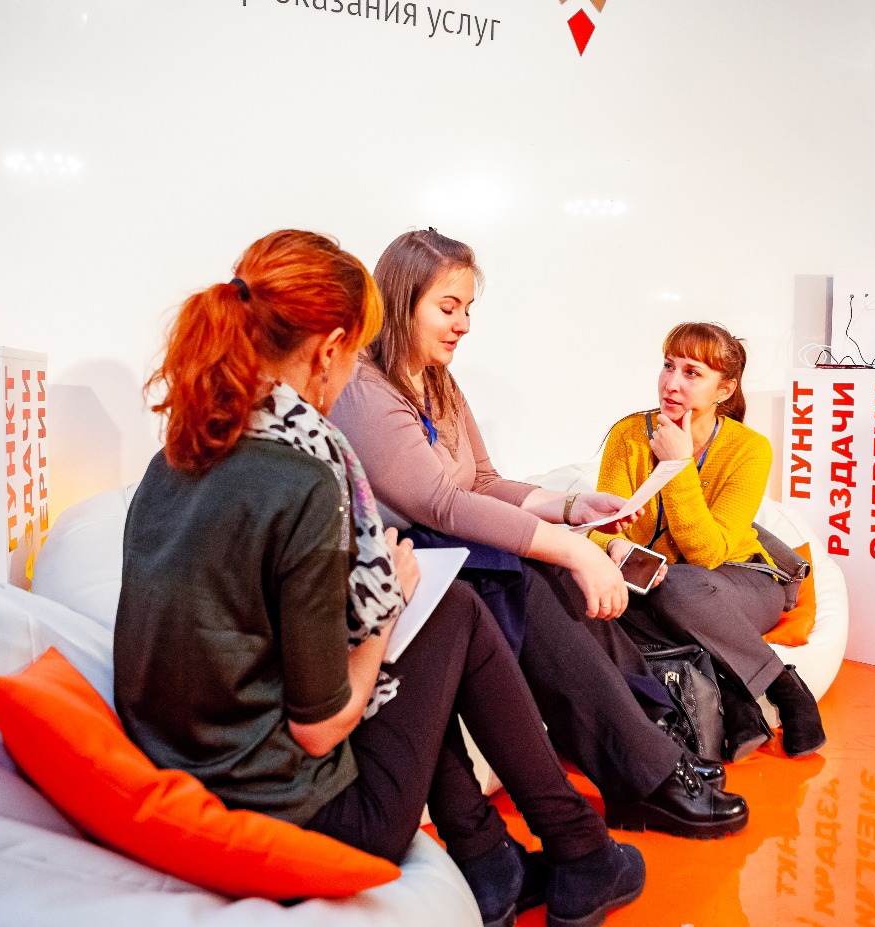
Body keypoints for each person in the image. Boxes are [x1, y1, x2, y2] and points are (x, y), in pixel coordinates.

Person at [113, 230, 645, 927]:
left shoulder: (176, 456)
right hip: (308, 813)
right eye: (448, 306)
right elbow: (319, 729)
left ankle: (495, 860)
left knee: (443, 615)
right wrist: (387, 606)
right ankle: (575, 846)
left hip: (190, 769)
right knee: (448, 611)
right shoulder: (304, 477)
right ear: (331, 349)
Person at [330, 228, 749, 839]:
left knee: (545, 568)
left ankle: (651, 748)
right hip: (403, 566)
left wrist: (573, 508)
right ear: (400, 302)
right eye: (448, 308)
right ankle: (645, 773)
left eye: (468, 309)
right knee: (525, 575)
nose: (463, 324)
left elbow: (483, 480)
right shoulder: (366, 389)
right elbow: (443, 504)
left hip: (445, 551)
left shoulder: (438, 380)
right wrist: (574, 547)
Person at [592, 322, 826, 760]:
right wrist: (612, 546)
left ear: (725, 389)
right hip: (656, 586)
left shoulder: (749, 449)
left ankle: (784, 687)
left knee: (679, 585)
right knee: (603, 606)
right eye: (668, 366)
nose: (671, 383)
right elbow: (600, 526)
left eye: (692, 373)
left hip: (742, 582)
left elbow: (708, 554)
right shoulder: (629, 435)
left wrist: (678, 465)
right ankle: (733, 696)